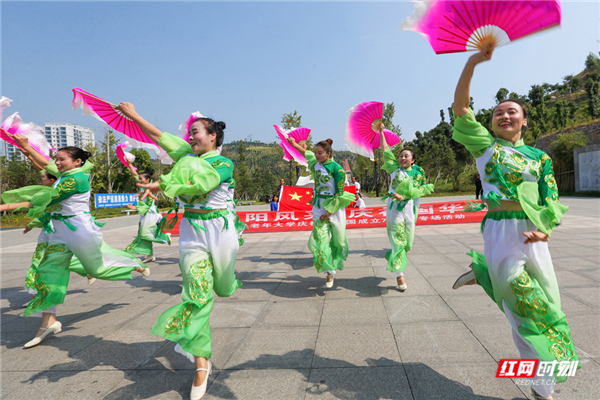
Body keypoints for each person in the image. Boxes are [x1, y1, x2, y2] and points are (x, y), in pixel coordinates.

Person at [450, 44, 578, 400]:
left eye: (512, 112)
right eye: (497, 113)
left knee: (547, 305)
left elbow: (550, 197)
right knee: (523, 306)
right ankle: (544, 388)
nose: (504, 116)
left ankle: (541, 385)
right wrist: (473, 62)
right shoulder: (486, 147)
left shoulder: (540, 158)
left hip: (534, 235)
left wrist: (546, 228)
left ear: (524, 120)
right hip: (501, 230)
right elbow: (461, 108)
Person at [116, 102, 241, 400]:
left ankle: (224, 285)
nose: (190, 137)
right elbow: (159, 136)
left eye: (196, 132)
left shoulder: (223, 164)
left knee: (222, 289)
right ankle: (201, 363)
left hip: (221, 231)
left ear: (212, 137)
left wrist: (161, 184)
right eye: (189, 133)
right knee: (197, 295)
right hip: (192, 232)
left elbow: (201, 183)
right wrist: (133, 115)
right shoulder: (185, 154)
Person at [2, 137, 149, 349]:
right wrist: (25, 147)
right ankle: (48, 323)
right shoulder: (64, 174)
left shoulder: (76, 179)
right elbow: (44, 163)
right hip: (58, 232)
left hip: (79, 230)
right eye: (57, 160)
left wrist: (5, 207)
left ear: (78, 161)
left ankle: (132, 263)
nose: (57, 163)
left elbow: (48, 197)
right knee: (49, 272)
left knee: (96, 270)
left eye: (62, 160)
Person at [287, 137, 354, 288]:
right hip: (318, 206)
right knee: (321, 241)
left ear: (328, 153)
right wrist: (294, 145)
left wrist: (329, 212)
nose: (317, 156)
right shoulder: (315, 164)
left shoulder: (338, 169)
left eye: (320, 153)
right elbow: (306, 153)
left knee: (338, 240)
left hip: (335, 208)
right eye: (316, 153)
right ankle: (329, 272)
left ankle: (335, 262)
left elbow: (339, 194)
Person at [379, 125, 433, 291]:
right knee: (397, 243)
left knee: (407, 245)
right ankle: (399, 275)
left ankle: (394, 257)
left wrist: (406, 196)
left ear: (413, 160)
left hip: (410, 209)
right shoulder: (395, 169)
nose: (402, 158)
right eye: (401, 156)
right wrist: (381, 132)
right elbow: (385, 150)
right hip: (394, 209)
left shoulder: (418, 172)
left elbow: (422, 189)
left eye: (406, 156)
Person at [123, 159, 171, 263]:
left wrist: (134, 208)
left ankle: (165, 237)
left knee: (145, 234)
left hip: (150, 213)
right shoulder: (143, 187)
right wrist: (130, 164)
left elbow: (148, 204)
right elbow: (134, 174)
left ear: (148, 179)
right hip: (144, 214)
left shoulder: (151, 188)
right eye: (139, 179)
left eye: (141, 179)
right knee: (143, 235)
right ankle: (150, 255)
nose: (139, 180)